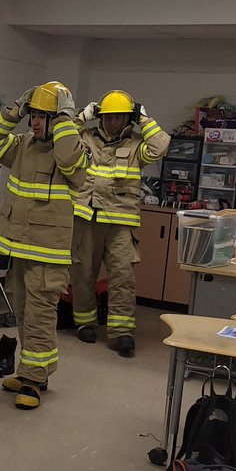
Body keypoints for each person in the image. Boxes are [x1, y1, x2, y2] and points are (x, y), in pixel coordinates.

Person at [0, 81, 86, 409]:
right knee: (24, 314)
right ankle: (29, 371)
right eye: (33, 115)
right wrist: (15, 110)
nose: (35, 121)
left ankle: (35, 379)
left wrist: (67, 120)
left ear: (59, 120)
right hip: (20, 248)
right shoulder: (24, 145)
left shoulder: (72, 148)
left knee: (40, 316)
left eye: (43, 116)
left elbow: (70, 162)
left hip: (48, 253)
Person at [70, 90, 170, 357]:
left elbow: (161, 146)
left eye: (121, 116)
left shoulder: (138, 144)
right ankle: (84, 323)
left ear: (130, 118)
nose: (114, 121)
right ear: (100, 116)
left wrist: (146, 119)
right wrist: (81, 117)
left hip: (120, 220)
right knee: (82, 273)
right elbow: (63, 139)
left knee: (122, 277)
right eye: (109, 116)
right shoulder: (86, 136)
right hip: (87, 217)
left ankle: (121, 333)